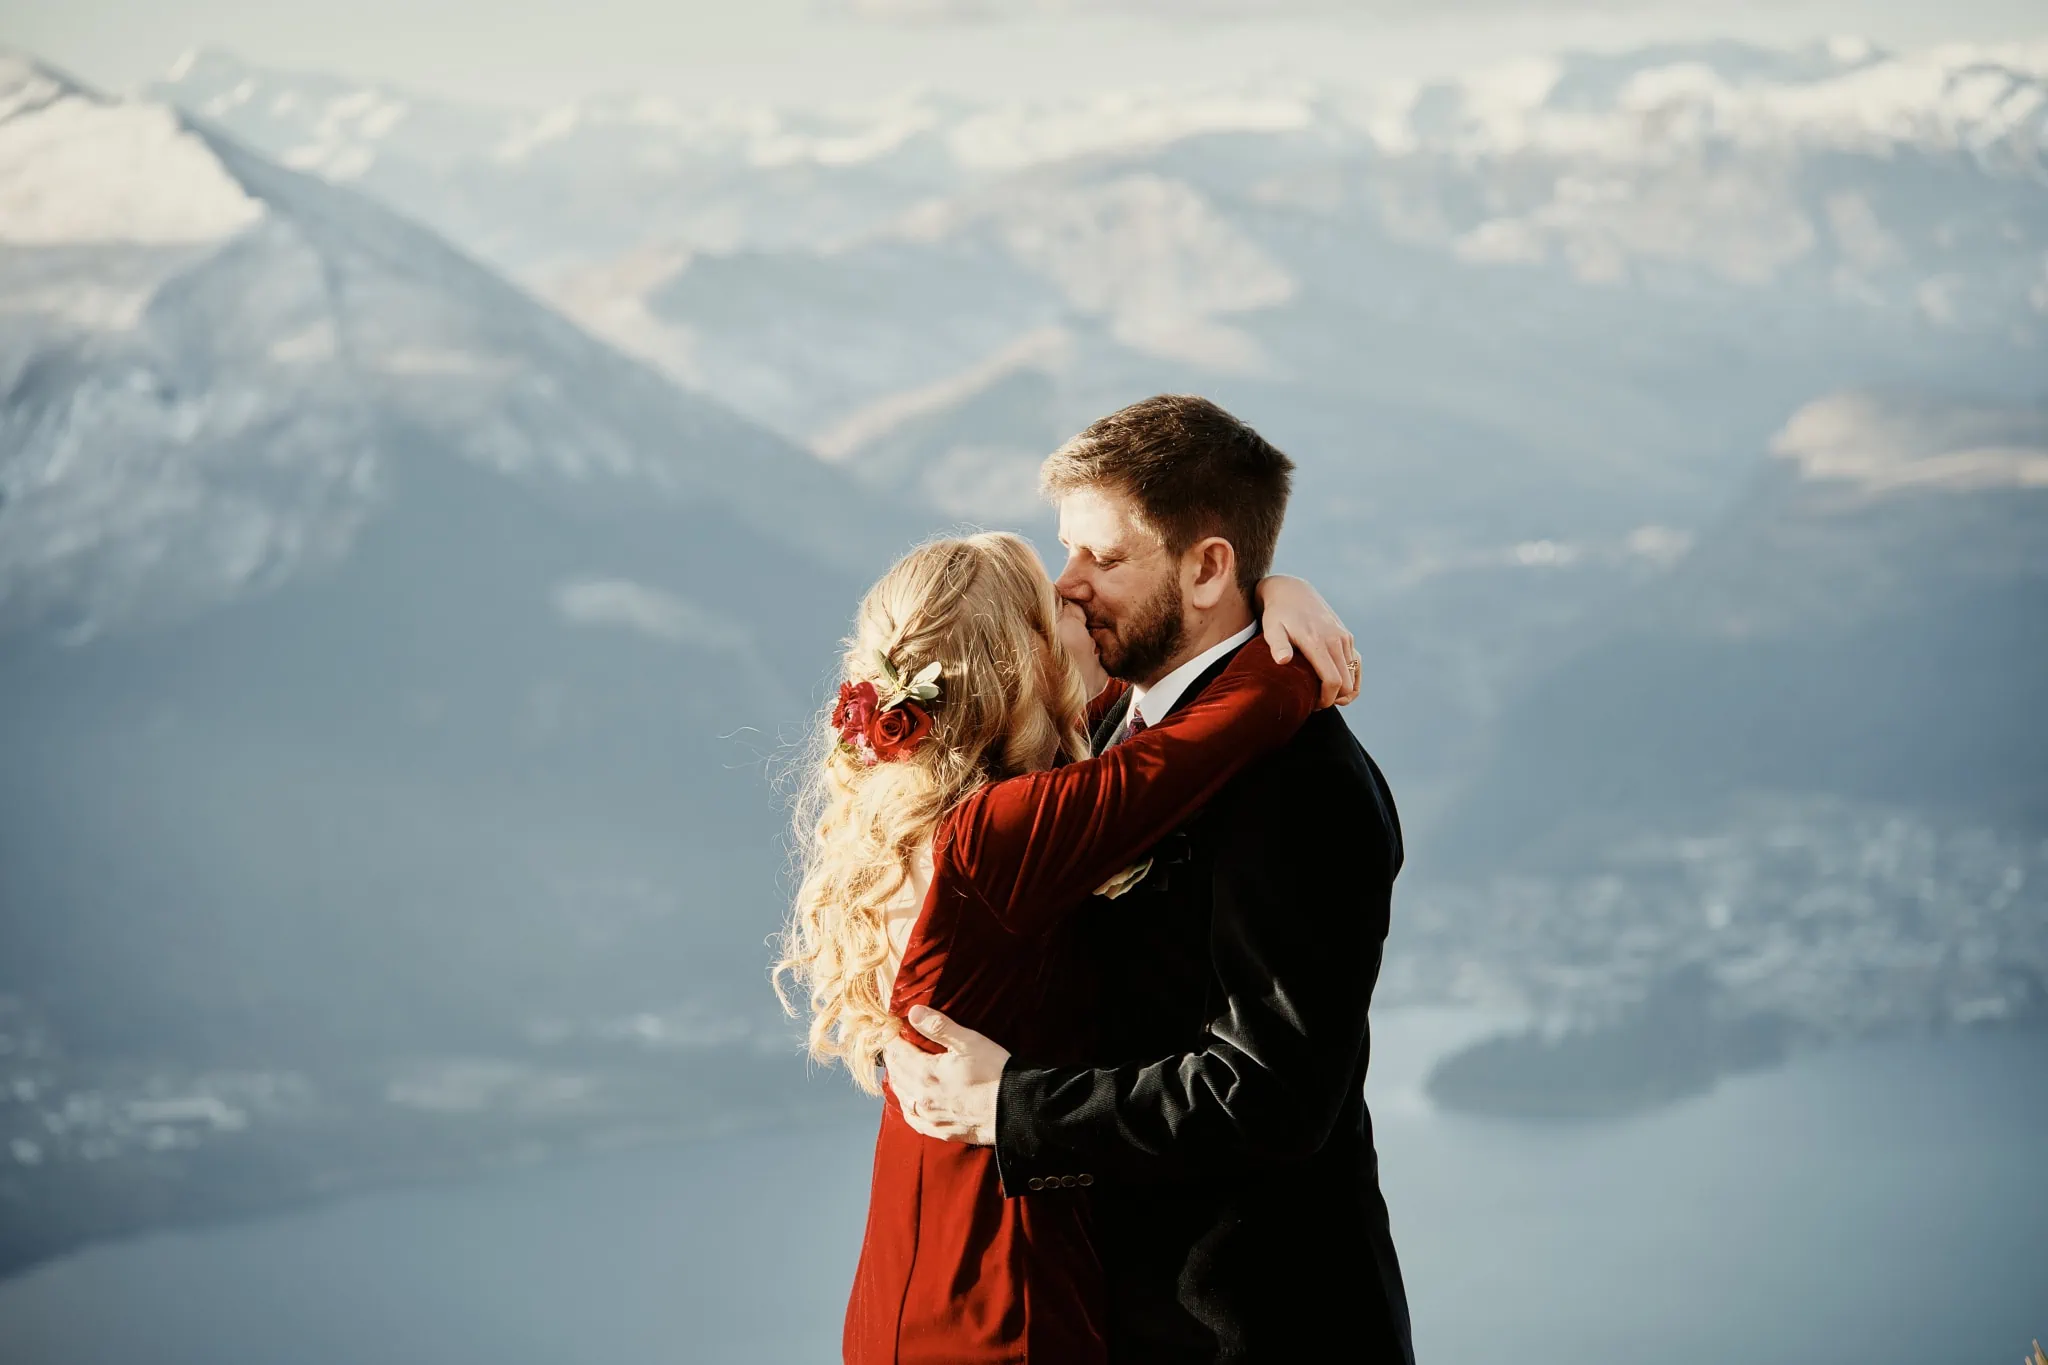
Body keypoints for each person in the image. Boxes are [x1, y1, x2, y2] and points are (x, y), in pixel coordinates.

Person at [885, 396, 1416, 1364]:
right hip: (1124, 1317)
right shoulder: (1110, 734)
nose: (1068, 584)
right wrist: (1279, 594)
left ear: (1207, 565)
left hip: (1248, 1330)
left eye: (1102, 558)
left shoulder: (1296, 782)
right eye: (1067, 551)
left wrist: (1015, 1107)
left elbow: (1272, 1094)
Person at [776, 529, 1362, 1364]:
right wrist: (1280, 613)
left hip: (907, 1276)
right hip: (997, 1292)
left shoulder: (928, 809)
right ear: (1022, 659)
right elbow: (1230, 725)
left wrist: (1265, 589)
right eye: (1054, 605)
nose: (1078, 600)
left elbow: (1113, 715)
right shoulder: (996, 834)